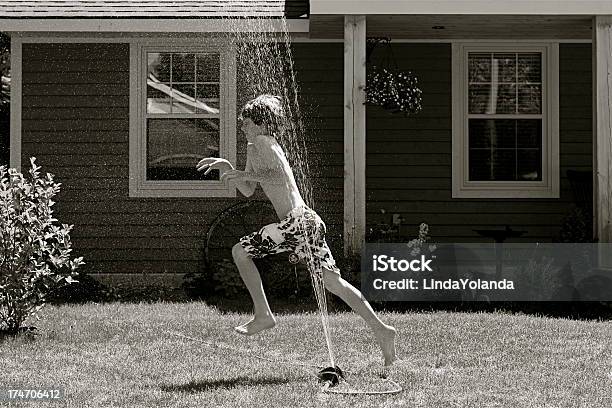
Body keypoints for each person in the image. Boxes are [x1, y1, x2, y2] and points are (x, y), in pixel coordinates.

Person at [196, 95, 397, 366]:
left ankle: (264, 314)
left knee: (240, 251)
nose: (242, 127)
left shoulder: (265, 143)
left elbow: (279, 177)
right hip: (305, 223)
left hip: (296, 222)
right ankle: (382, 330)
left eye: (245, 123)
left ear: (260, 123)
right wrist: (230, 170)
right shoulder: (255, 146)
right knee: (332, 282)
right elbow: (248, 190)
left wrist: (244, 175)